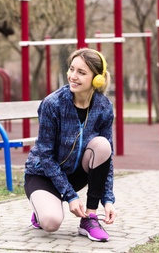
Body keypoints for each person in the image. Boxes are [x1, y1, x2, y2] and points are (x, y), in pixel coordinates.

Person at [24, 48, 116, 242]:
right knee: (51, 223)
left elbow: (107, 157)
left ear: (96, 79)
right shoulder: (53, 104)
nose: (73, 76)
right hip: (43, 174)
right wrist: (70, 196)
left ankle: (90, 219)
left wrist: (108, 199)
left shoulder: (104, 107)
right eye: (72, 69)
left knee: (102, 145)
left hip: (75, 174)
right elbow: (45, 155)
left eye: (81, 73)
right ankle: (43, 209)